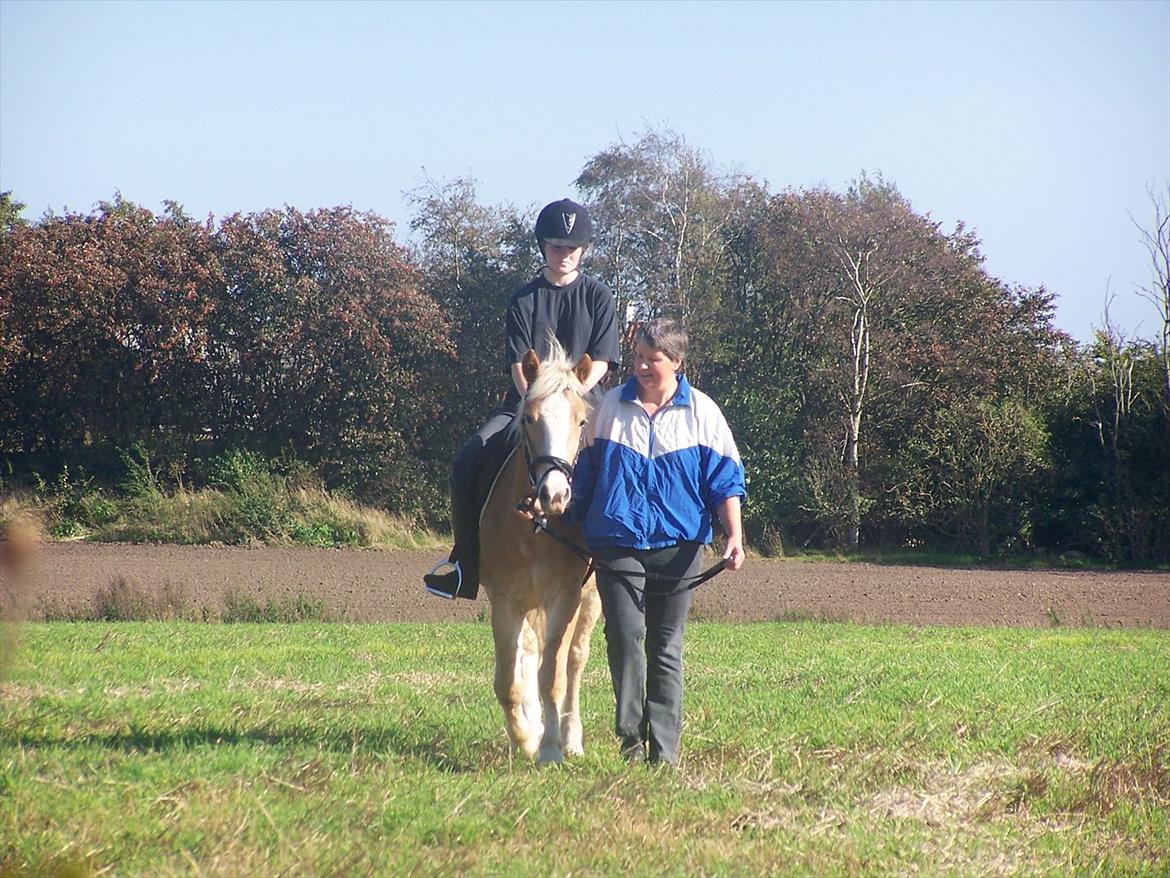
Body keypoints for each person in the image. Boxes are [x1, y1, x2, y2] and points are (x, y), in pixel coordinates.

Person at [424, 198, 621, 600]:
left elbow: (601, 361)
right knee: (466, 461)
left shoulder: (599, 296)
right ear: (542, 248)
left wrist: (568, 395)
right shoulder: (523, 299)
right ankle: (464, 565)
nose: (563, 254)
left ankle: (625, 563)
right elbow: (519, 364)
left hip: (582, 404)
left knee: (624, 465)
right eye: (555, 247)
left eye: (570, 248)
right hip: (526, 403)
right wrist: (539, 397)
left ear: (583, 250)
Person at [569, 318, 746, 765]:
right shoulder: (609, 407)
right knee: (625, 637)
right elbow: (584, 478)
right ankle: (631, 740)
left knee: (666, 645)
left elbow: (725, 481)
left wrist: (734, 534)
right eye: (639, 358)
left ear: (677, 363)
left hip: (680, 544)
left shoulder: (702, 413)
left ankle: (663, 753)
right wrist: (562, 519)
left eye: (654, 359)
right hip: (617, 541)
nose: (643, 366)